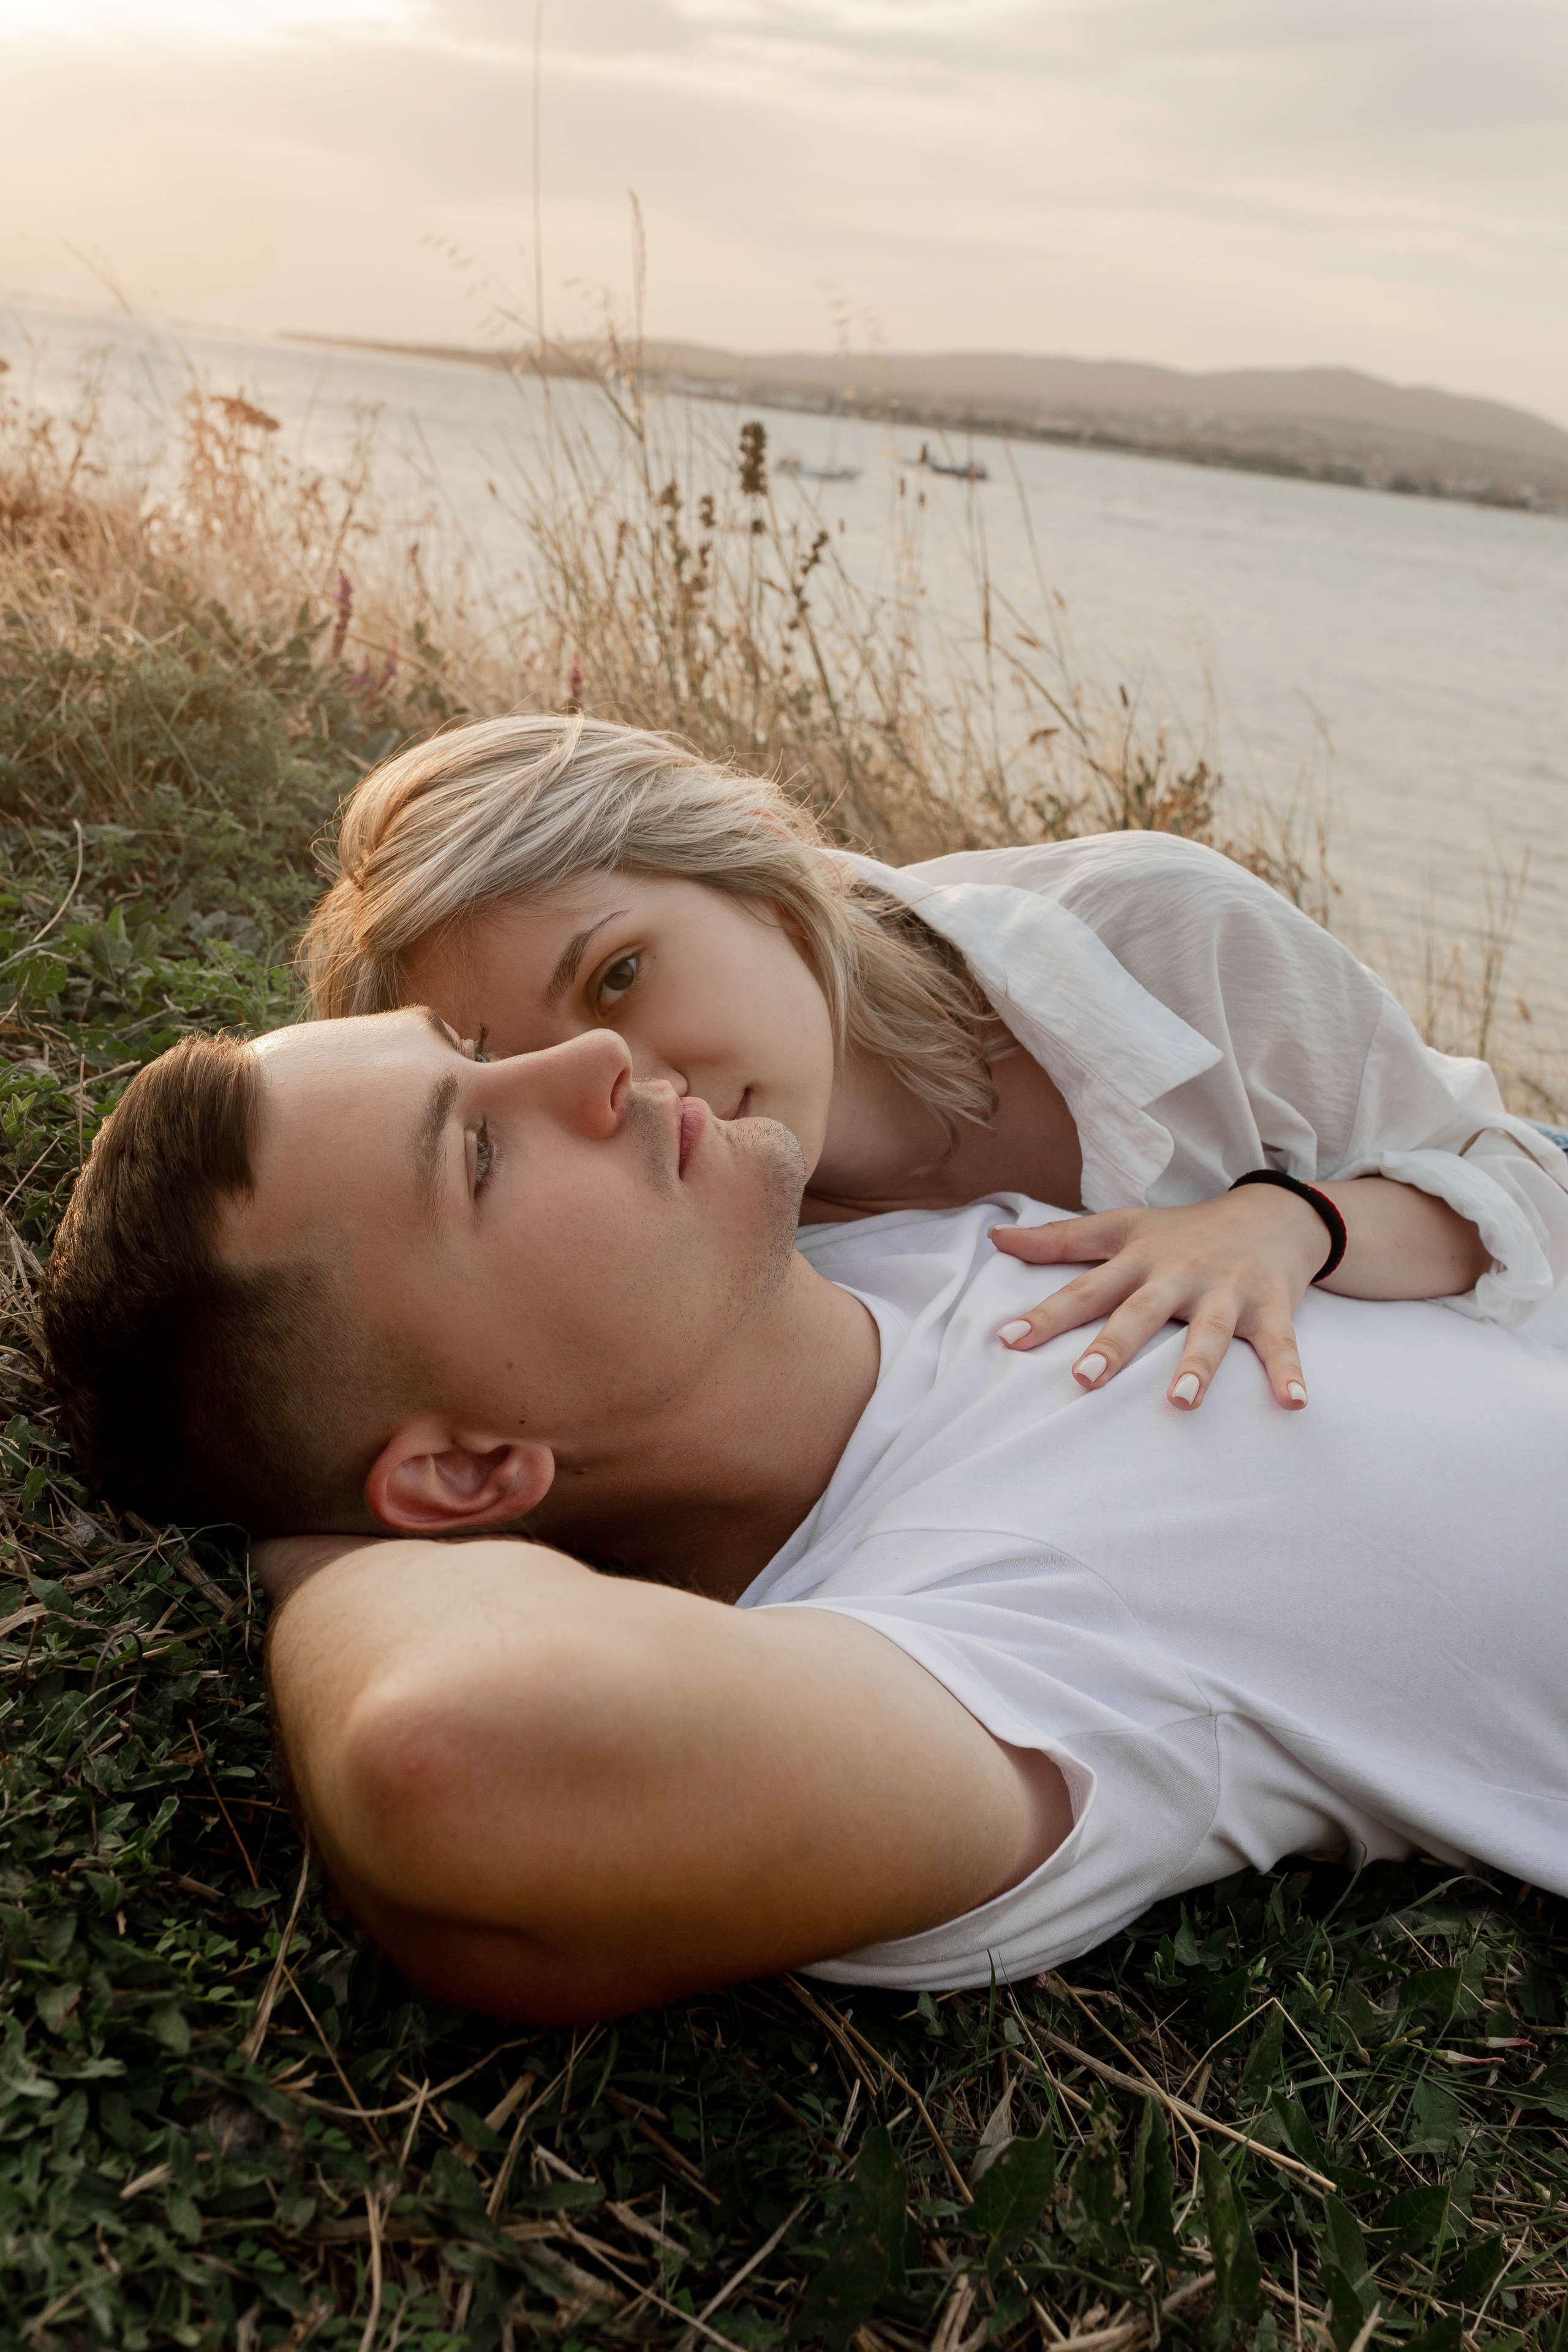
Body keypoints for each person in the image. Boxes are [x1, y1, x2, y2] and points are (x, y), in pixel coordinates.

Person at [40, 1011, 1568, 2024]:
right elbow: (457, 1753)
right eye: (481, 1151)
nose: (591, 1054)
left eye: (480, 1043)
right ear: (464, 1473)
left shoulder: (905, 1221)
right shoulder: (987, 1625)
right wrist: (321, 1555)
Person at [300, 714, 1568, 1415]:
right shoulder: (664, 1238)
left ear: (747, 852)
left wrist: (1284, 1221)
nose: (636, 1090)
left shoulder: (1159, 934)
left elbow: (1511, 1188)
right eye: (536, 1074)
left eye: (619, 972)